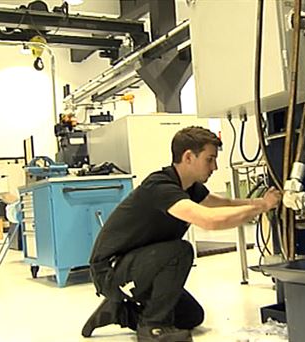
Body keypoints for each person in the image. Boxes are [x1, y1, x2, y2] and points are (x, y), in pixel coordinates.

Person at [81, 126, 281, 342]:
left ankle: (118, 310)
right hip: (110, 271)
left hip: (134, 265)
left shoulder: (190, 187)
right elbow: (210, 220)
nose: (215, 166)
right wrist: (261, 206)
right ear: (188, 157)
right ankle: (152, 327)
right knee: (180, 251)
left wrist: (259, 202)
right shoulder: (160, 186)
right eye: (209, 159)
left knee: (191, 316)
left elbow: (222, 204)